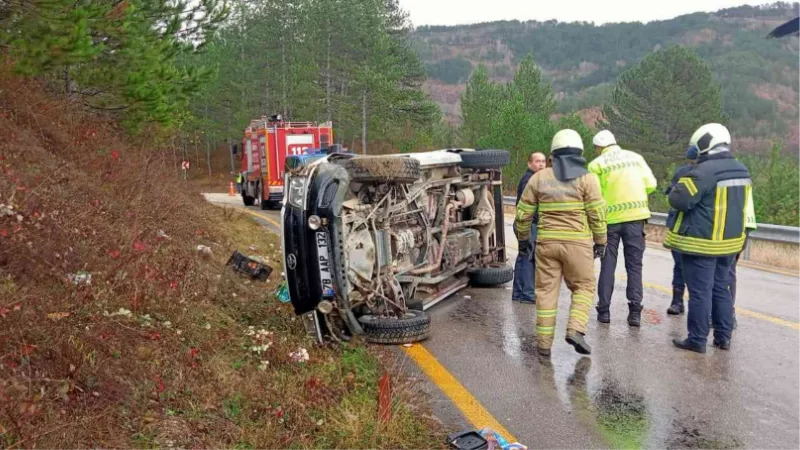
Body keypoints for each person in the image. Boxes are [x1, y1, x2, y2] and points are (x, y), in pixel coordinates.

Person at [514, 129, 607, 357]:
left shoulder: (539, 178)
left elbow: (523, 214)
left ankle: (544, 345)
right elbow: (597, 213)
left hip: (547, 244)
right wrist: (601, 241)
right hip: (578, 244)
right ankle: (575, 329)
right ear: (579, 153)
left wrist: (523, 240)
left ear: (552, 154)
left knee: (545, 292)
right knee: (583, 286)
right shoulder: (587, 178)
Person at [665, 123, 752, 353]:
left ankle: (697, 339)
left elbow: (678, 200)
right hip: (729, 244)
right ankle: (723, 338)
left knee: (700, 293)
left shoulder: (703, 173)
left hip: (702, 243)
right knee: (721, 289)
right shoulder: (741, 169)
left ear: (705, 144)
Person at [588, 130, 657, 327]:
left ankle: (604, 311)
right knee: (634, 265)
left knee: (608, 265)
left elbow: (593, 195)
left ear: (599, 147)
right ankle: (635, 312)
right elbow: (651, 184)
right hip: (636, 220)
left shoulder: (597, 165)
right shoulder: (636, 158)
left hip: (610, 221)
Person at [512, 152, 547, 303]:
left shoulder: (534, 179)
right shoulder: (530, 180)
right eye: (537, 161)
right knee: (529, 258)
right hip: (529, 223)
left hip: (526, 222)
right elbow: (529, 207)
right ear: (529, 164)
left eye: (543, 161)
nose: (541, 164)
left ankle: (518, 293)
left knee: (523, 256)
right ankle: (527, 294)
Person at [665, 157, 697, 315]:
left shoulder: (710, 173)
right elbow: (672, 196)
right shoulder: (682, 172)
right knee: (680, 265)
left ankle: (691, 304)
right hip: (679, 226)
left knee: (692, 268)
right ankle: (677, 301)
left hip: (696, 228)